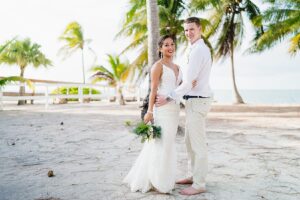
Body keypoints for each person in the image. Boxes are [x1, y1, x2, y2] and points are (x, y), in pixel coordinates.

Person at [123, 35, 194, 193]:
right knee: (160, 144)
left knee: (168, 145)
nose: (170, 47)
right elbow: (153, 90)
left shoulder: (178, 68)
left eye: (172, 44)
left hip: (174, 110)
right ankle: (157, 181)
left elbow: (180, 88)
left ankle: (163, 178)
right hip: (161, 110)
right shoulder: (158, 66)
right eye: (166, 45)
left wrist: (193, 83)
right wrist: (149, 111)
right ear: (160, 48)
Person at [156, 17, 213, 195]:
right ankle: (192, 175)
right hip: (192, 100)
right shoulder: (193, 48)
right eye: (186, 30)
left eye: (192, 29)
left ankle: (199, 184)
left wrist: (169, 97)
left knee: (197, 144)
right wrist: (187, 83)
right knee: (189, 142)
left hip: (198, 100)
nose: (188, 33)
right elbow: (188, 81)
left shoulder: (199, 50)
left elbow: (189, 83)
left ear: (200, 29)